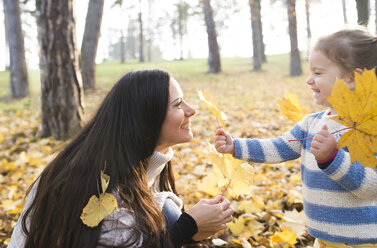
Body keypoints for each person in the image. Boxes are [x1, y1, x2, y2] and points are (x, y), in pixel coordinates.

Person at [9, 69, 234, 248]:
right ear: (147, 118)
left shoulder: (136, 160)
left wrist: (192, 233)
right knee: (170, 214)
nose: (191, 110)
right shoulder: (99, 182)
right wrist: (187, 226)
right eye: (178, 104)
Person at [214, 29, 377, 247]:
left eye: (318, 73)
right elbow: (279, 147)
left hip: (361, 240)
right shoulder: (312, 123)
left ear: (351, 78)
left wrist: (332, 159)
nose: (309, 80)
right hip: (323, 237)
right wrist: (236, 146)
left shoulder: (370, 128)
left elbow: (371, 187)